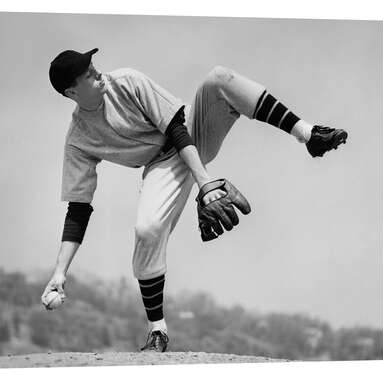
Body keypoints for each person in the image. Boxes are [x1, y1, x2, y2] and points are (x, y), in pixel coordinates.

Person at [41, 48, 348, 353]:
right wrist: (59, 273)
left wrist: (205, 184)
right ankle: (157, 332)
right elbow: (78, 210)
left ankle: (309, 135)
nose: (97, 72)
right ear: (71, 91)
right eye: (87, 74)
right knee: (147, 230)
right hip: (161, 166)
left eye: (93, 65)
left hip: (191, 131)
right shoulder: (79, 139)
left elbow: (176, 130)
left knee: (219, 79)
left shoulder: (126, 81)